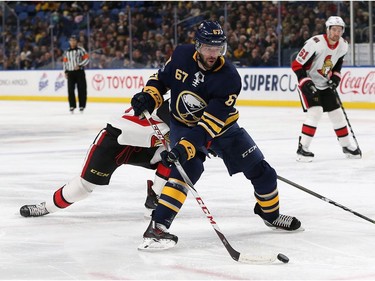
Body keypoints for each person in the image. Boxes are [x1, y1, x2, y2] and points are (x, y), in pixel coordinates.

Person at [131, 20, 302, 250]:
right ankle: (158, 227)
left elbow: (208, 128)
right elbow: (161, 80)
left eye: (218, 48)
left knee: (264, 173)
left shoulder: (229, 77)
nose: (214, 54)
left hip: (224, 129)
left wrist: (183, 148)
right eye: (209, 48)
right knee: (187, 169)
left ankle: (271, 215)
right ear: (198, 46)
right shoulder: (181, 55)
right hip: (183, 124)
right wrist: (149, 96)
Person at [19, 102, 171, 217]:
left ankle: (154, 197)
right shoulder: (178, 102)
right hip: (116, 140)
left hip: (147, 146)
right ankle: (46, 207)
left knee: (174, 158)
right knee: (81, 188)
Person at [292, 16, 361, 162]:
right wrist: (305, 82)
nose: (337, 33)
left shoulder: (343, 45)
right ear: (328, 29)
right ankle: (302, 148)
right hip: (308, 82)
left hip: (324, 84)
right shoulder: (315, 43)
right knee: (315, 112)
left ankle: (346, 146)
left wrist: (336, 78)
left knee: (337, 114)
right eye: (334, 29)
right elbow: (297, 65)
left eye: (340, 30)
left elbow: (337, 64)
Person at [63, 35, 90, 113]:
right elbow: (65, 62)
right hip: (70, 72)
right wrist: (65, 71)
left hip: (79, 72)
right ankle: (72, 106)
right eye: (71, 40)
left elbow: (87, 59)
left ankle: (82, 105)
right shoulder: (66, 52)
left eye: (74, 40)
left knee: (82, 89)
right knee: (70, 90)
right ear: (69, 42)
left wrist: (80, 65)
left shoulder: (81, 50)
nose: (72, 42)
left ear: (76, 41)